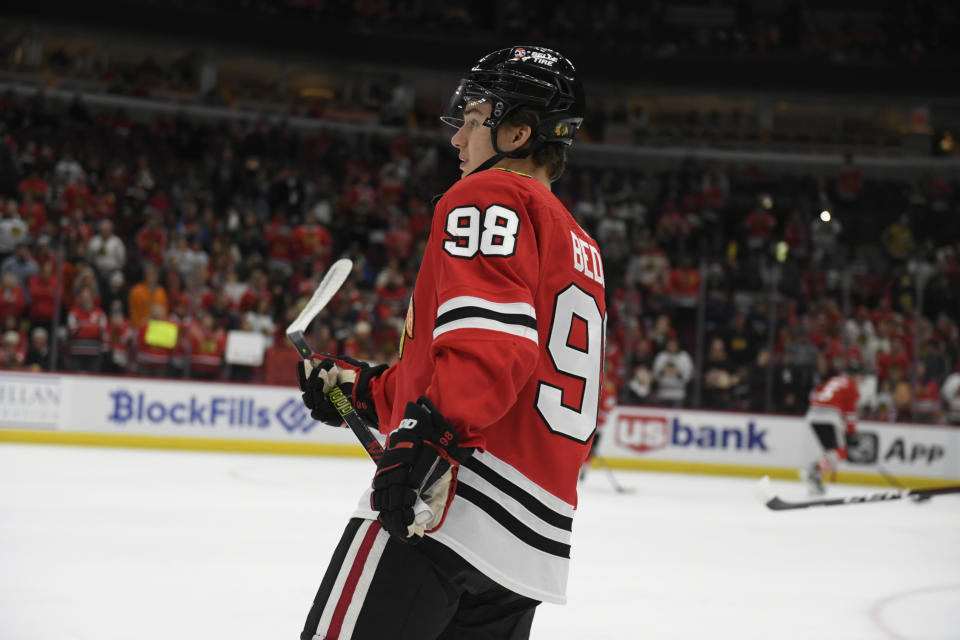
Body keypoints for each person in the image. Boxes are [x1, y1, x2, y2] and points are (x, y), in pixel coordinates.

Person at [296, 45, 602, 640]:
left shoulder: (490, 196)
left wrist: (426, 436)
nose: (457, 138)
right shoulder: (579, 243)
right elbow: (506, 362)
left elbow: (490, 348)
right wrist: (364, 392)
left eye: (472, 119)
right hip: (526, 551)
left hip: (449, 504)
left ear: (518, 131)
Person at [801, 363, 861, 495]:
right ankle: (814, 469)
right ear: (854, 376)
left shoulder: (834, 380)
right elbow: (851, 415)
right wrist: (851, 434)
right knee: (841, 452)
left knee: (830, 451)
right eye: (859, 377)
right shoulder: (851, 387)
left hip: (813, 414)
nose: (860, 380)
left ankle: (816, 479)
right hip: (830, 416)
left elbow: (816, 393)